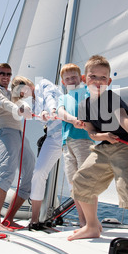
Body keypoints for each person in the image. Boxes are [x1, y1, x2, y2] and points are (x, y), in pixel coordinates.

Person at [68, 55, 128, 248]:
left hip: (125, 146)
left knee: (127, 182)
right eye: (93, 77)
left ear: (109, 81)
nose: (97, 81)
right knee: (80, 180)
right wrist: (104, 136)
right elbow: (91, 132)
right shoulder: (84, 106)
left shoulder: (112, 98)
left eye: (102, 78)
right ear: (84, 79)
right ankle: (91, 226)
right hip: (103, 147)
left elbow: (124, 119)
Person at [0, 63, 35, 231]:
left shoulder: (10, 92)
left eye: (8, 74)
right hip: (5, 132)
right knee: (7, 169)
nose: (5, 76)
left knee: (30, 171)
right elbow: (7, 105)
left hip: (20, 135)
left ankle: (9, 219)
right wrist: (20, 108)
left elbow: (20, 95)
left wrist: (26, 101)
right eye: (2, 74)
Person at [11, 76, 63, 228]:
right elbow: (42, 119)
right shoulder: (32, 105)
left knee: (75, 177)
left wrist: (51, 110)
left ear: (26, 82)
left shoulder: (43, 85)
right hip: (53, 136)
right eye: (20, 94)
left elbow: (51, 97)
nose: (23, 94)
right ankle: (35, 220)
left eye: (22, 89)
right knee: (38, 173)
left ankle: (86, 222)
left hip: (69, 131)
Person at [56, 63, 95, 227]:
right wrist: (72, 120)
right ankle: (82, 220)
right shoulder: (62, 98)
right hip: (67, 143)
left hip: (84, 140)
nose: (71, 80)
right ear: (63, 82)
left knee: (85, 181)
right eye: (67, 78)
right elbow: (60, 112)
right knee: (74, 183)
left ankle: (91, 221)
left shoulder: (86, 91)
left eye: (74, 77)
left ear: (81, 78)